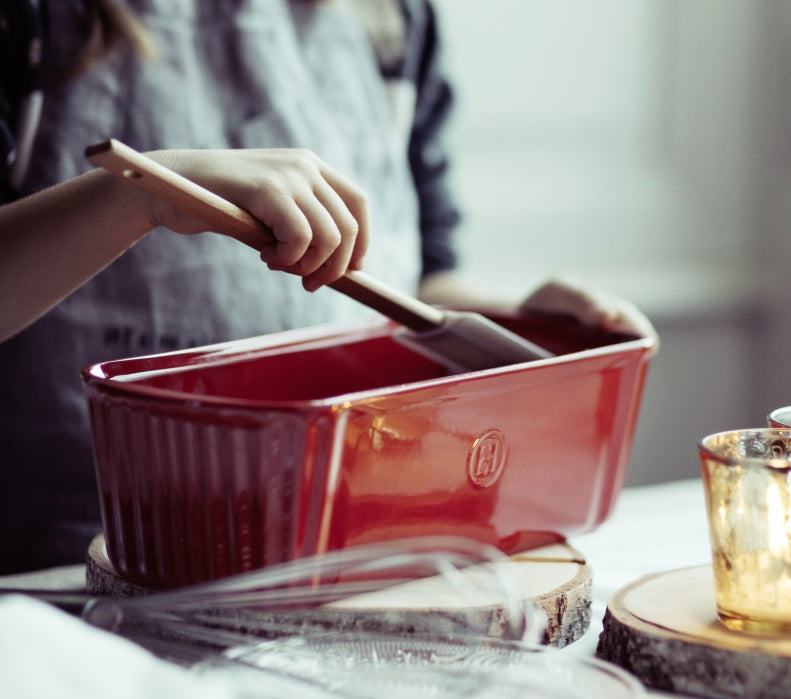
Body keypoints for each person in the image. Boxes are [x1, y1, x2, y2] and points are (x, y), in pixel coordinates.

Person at [0, 0, 656, 574]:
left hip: (351, 552)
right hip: (64, 576)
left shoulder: (394, 18)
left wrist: (516, 319)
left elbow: (421, 277)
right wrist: (132, 197)